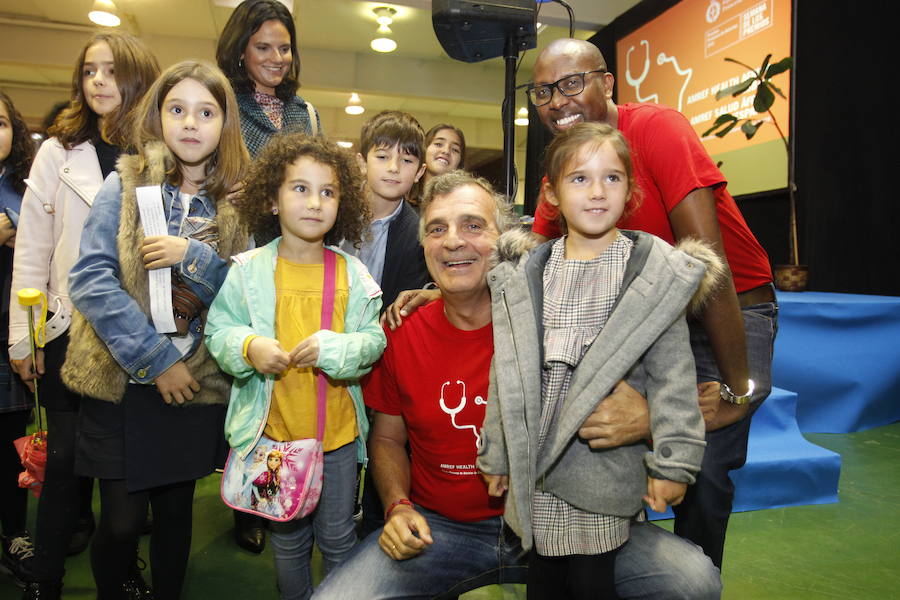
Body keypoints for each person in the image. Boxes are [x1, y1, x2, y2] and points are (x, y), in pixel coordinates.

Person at [312, 171, 722, 600]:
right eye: (437, 229)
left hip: (562, 514)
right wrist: (397, 506)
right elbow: (387, 438)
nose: (453, 241)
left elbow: (685, 395)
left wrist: (648, 417)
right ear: (424, 247)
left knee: (693, 581)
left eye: (473, 225)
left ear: (506, 241)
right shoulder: (402, 331)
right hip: (444, 531)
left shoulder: (558, 314)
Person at [526, 38, 777, 569]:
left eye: (572, 83)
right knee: (605, 448)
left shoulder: (659, 129)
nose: (557, 100)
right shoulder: (564, 159)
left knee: (704, 472)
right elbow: (530, 262)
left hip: (726, 310)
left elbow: (707, 267)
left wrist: (738, 387)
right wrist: (442, 286)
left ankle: (692, 577)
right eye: (543, 91)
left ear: (607, 83)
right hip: (653, 321)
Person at [479, 122, 720, 599]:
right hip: (537, 471)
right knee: (544, 583)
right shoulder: (528, 273)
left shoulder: (653, 275)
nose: (596, 192)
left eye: (612, 178)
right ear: (550, 194)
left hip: (601, 472)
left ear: (630, 190)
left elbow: (674, 377)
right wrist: (497, 452)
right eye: (579, 179)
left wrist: (673, 463)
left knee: (591, 584)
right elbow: (506, 370)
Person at [61, 60, 248, 600]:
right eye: (178, 109)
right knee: (120, 523)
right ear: (158, 116)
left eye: (206, 112)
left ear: (224, 123)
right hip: (123, 380)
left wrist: (195, 258)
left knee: (175, 519)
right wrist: (154, 359)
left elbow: (244, 292)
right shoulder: (124, 184)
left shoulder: (237, 203)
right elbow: (92, 279)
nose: (191, 123)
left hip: (194, 385)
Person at [8, 33, 159, 599]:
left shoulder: (157, 153)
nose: (97, 80)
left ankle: (122, 568)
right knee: (65, 461)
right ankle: (45, 574)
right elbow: (32, 248)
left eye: (111, 70)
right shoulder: (57, 149)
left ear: (138, 79)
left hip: (133, 335)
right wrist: (22, 340)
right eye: (89, 70)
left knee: (127, 464)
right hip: (68, 327)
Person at [205, 133, 385, 600]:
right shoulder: (246, 271)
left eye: (327, 191)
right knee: (286, 541)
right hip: (273, 442)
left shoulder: (354, 274)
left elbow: (372, 341)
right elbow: (219, 331)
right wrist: (249, 346)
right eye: (299, 188)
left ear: (341, 204)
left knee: (340, 541)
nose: (314, 202)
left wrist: (333, 349)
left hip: (339, 442)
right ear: (271, 198)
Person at [217, 0, 321, 250]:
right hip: (235, 253)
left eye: (284, 48)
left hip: (296, 253)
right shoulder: (220, 108)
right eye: (263, 47)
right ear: (241, 50)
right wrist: (219, 194)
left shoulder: (307, 115)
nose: (277, 59)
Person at [0, 90, 36, 589]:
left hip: (11, 324)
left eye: (1, 122)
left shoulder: (22, 188)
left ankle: (14, 535)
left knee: (12, 441)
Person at [417, 123, 466, 203]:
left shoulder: (463, 203)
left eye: (454, 149)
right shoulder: (401, 196)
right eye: (438, 144)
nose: (446, 151)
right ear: (424, 149)